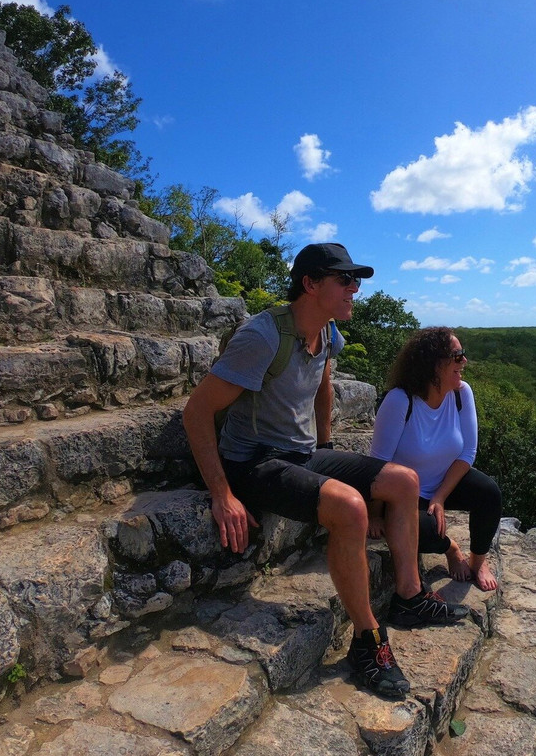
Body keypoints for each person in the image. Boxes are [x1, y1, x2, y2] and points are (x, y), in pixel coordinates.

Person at [182, 243, 467, 700]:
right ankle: (367, 640)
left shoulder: (327, 332)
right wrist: (221, 493)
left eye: (356, 280)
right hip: (252, 461)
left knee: (403, 481)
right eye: (344, 280)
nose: (355, 288)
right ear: (310, 284)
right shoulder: (263, 337)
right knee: (350, 507)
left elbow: (323, 386)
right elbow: (197, 413)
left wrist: (328, 448)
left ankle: (409, 597)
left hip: (300, 453)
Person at [369, 327, 502, 592]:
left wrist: (439, 497)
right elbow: (377, 464)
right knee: (426, 528)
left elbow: (467, 454)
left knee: (489, 493)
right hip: (403, 491)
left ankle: (478, 562)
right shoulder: (400, 400)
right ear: (433, 363)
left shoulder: (461, 393)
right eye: (456, 356)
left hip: (444, 482)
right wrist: (374, 515)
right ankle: (451, 549)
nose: (463, 361)